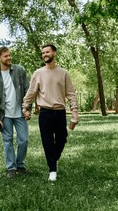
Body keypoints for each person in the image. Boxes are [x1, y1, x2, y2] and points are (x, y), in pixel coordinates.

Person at [22, 44, 79, 182]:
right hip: (45, 113)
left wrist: (75, 111)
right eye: (43, 53)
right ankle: (52, 170)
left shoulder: (63, 73)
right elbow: (31, 92)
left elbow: (70, 94)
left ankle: (53, 158)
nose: (44, 55)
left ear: (54, 53)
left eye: (47, 52)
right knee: (47, 142)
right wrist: (25, 107)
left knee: (62, 139)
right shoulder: (38, 73)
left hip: (60, 112)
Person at [0, 46, 30, 178]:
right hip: (4, 115)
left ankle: (20, 164)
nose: (9, 58)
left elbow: (27, 91)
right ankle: (11, 168)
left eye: (9, 55)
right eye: (6, 56)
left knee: (23, 140)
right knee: (7, 141)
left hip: (20, 113)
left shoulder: (19, 70)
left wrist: (27, 109)